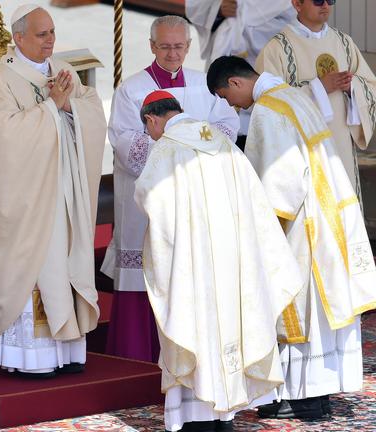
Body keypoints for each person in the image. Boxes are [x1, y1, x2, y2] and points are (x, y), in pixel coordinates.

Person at [208, 55, 376, 419]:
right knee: (324, 303)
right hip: (329, 209)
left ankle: (305, 397)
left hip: (304, 222)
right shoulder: (295, 96)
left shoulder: (269, 110)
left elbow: (279, 180)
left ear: (235, 83)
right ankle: (321, 393)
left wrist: (258, 225)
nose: (230, 106)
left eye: (225, 97)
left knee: (300, 302)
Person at [136, 90, 302, 432]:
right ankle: (225, 416)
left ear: (152, 119)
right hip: (234, 262)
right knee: (232, 323)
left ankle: (196, 418)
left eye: (147, 129)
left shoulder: (166, 149)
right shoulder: (224, 144)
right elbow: (256, 202)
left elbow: (150, 198)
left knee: (195, 325)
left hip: (193, 263)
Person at [100, 14, 239, 362]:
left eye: (179, 46)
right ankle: (137, 355)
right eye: (165, 46)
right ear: (151, 46)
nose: (173, 54)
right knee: (147, 271)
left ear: (189, 46)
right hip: (149, 199)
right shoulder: (131, 89)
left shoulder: (202, 85)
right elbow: (123, 142)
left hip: (197, 195)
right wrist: (179, 145)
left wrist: (187, 144)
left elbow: (227, 124)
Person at [0, 4, 106, 377]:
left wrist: (68, 111)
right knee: (41, 259)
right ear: (18, 37)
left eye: (52, 33)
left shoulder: (62, 72)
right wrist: (52, 106)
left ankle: (67, 351)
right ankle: (31, 357)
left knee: (68, 257)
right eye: (41, 34)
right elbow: (3, 139)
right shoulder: (1, 81)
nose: (50, 40)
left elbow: (91, 110)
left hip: (65, 187)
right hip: (29, 196)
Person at [256, 0, 376, 200]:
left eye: (331, 0)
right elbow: (267, 103)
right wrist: (319, 88)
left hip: (341, 145)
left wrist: (352, 87)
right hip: (301, 150)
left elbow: (371, 86)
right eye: (318, 0)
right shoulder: (277, 48)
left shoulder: (344, 43)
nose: (326, 5)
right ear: (297, 3)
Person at [186, 0, 295, 68]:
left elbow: (299, 15)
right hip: (225, 49)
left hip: (270, 53)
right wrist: (217, 8)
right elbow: (194, 5)